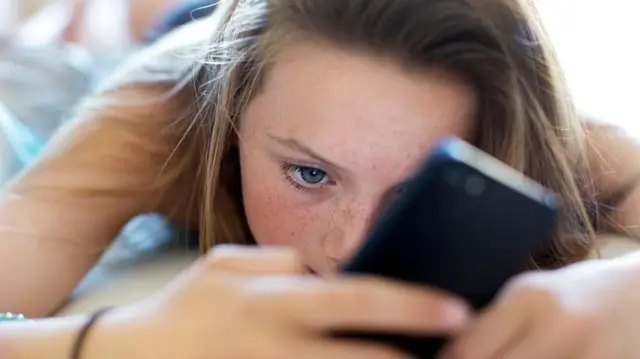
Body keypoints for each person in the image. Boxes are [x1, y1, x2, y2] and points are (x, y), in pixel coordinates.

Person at [2, 0, 640, 358]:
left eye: (414, 192)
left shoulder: (537, 135)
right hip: (174, 46)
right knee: (68, 35)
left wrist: (624, 289)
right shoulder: (154, 120)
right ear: (232, 131)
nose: (349, 246)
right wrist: (117, 343)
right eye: (309, 173)